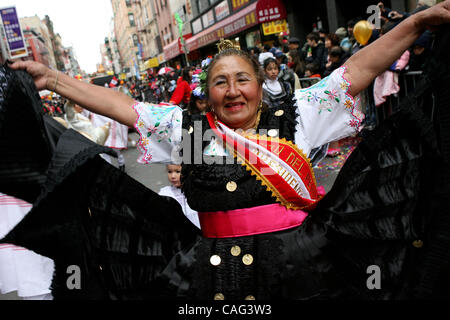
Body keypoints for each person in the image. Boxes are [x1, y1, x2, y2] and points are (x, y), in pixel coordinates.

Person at [3, 1, 450, 300]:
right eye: (221, 82)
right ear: (207, 93)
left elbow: (355, 70)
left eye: (243, 79)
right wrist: (52, 80)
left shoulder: (297, 115)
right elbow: (125, 107)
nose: (233, 91)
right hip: (214, 276)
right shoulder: (192, 133)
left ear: (260, 85)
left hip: (304, 266)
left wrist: (416, 23)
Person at [158, 164, 200, 229]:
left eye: (177, 172)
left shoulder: (197, 191)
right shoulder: (165, 192)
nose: (172, 176)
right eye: (170, 172)